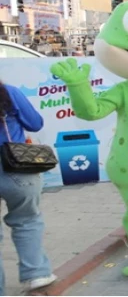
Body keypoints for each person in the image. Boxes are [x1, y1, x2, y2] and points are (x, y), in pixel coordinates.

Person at [0, 81, 57, 294]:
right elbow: (35, 123)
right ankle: (37, 274)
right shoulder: (8, 91)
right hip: (15, 167)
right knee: (27, 220)